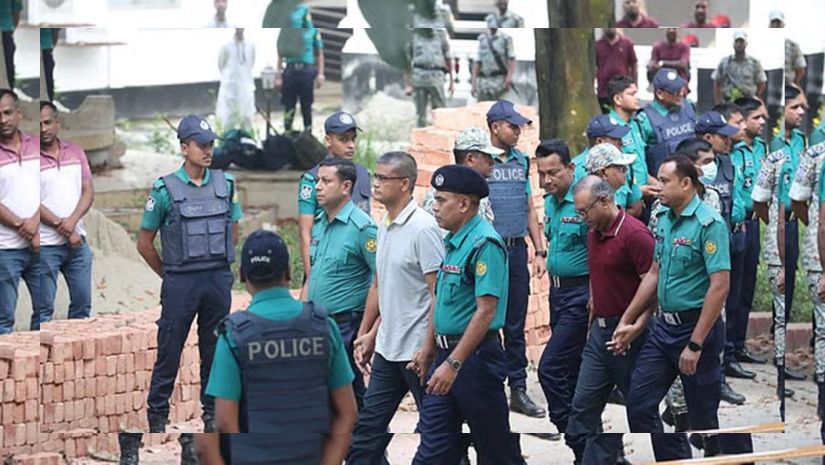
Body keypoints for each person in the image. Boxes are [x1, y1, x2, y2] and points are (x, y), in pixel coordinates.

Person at [119, 115, 242, 465]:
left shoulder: (226, 183)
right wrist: (170, 275)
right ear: (184, 147)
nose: (208, 150)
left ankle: (209, 417)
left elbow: (232, 229)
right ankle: (157, 418)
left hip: (217, 279)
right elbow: (144, 243)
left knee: (215, 353)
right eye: (200, 145)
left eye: (210, 144)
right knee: (169, 351)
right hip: (180, 282)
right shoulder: (163, 189)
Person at [197, 229, 356, 465]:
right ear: (289, 273)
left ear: (242, 276)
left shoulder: (233, 336)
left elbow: (225, 422)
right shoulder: (324, 326)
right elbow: (348, 413)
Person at [408, 164, 525, 465]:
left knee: (494, 450)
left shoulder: (484, 243)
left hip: (474, 362)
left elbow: (486, 310)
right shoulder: (454, 240)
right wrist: (428, 348)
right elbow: (442, 300)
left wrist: (454, 364)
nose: (434, 207)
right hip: (445, 358)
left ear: (464, 204)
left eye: (441, 200)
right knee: (433, 449)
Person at [624, 155, 730, 460]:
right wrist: (629, 318)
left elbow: (719, 285)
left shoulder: (709, 223)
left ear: (686, 184)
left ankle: (717, 455)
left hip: (697, 330)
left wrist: (695, 344)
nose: (658, 187)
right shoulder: (663, 219)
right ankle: (674, 458)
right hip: (663, 330)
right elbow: (655, 272)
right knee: (640, 403)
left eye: (665, 181)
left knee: (702, 417)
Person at [346, 152, 444, 464]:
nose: (374, 184)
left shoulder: (424, 229)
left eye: (382, 178)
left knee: (437, 435)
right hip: (388, 351)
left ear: (405, 184)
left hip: (418, 354)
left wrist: (428, 347)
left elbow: (436, 294)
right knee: (366, 435)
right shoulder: (384, 225)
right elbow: (380, 284)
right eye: (374, 177)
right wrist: (367, 333)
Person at [565, 175, 655, 465]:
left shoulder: (635, 235)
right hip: (599, 335)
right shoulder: (594, 233)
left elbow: (653, 289)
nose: (581, 218)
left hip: (630, 338)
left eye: (584, 211)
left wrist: (635, 326)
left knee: (641, 412)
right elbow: (597, 273)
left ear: (605, 200)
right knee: (582, 410)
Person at [486, 100, 547, 418]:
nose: (518, 132)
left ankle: (518, 389)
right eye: (513, 126)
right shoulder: (480, 160)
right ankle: (492, 387)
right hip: (488, 253)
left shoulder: (521, 161)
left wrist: (538, 250)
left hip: (516, 251)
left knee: (515, 323)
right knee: (487, 320)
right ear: (495, 127)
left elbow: (528, 207)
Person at [305, 158, 378, 412]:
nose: (318, 187)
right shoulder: (320, 223)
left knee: (353, 394)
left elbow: (381, 281)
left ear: (346, 186)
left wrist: (366, 331)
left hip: (347, 324)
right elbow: (314, 274)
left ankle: (371, 452)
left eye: (326, 181)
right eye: (317, 181)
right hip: (318, 323)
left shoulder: (363, 228)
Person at [535, 138, 589, 460]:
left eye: (553, 172)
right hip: (557, 293)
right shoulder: (551, 202)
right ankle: (590, 447)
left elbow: (600, 255)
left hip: (581, 295)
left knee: (550, 369)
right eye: (542, 174)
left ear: (570, 168)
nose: (547, 180)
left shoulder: (583, 201)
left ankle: (578, 439)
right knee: (573, 372)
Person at [297, 112, 371, 296]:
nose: (351, 145)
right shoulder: (312, 179)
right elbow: (305, 231)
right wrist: (312, 276)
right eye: (343, 139)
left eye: (353, 139)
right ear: (328, 140)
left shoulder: (363, 174)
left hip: (356, 263)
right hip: (325, 261)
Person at [38, 101, 94, 328]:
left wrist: (71, 224)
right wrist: (62, 226)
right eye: (39, 124)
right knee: (43, 312)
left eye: (48, 122)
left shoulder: (76, 152)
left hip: (78, 243)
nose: (44, 129)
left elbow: (88, 191)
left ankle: (74, 361)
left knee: (82, 307)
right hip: (44, 247)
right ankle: (38, 362)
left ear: (58, 123)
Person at [730, 97, 769, 366]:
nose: (762, 122)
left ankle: (740, 344)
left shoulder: (762, 149)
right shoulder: (734, 150)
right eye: (757, 118)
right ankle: (728, 350)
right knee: (732, 288)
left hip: (756, 222)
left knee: (747, 287)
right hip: (738, 221)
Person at [0, 89, 40, 334]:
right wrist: (22, 225)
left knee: (44, 318)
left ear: (19, 114)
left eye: (7, 113)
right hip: (4, 250)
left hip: (39, 247)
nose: (3, 120)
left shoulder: (36, 147)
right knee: (4, 321)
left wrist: (35, 223)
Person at [421, 127, 500, 224]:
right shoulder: (445, 192)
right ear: (470, 159)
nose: (492, 162)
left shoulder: (476, 188)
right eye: (487, 156)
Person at [577, 116, 644, 218]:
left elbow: (635, 206)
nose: (621, 142)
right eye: (615, 138)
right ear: (599, 141)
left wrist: (616, 226)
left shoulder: (623, 161)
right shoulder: (577, 170)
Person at [636, 68, 696, 179]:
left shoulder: (689, 107)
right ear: (660, 94)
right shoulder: (645, 119)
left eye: (681, 88)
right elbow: (638, 160)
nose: (681, 94)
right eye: (675, 91)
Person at [275, 2, 324, 132]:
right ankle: (287, 133)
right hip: (290, 71)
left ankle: (308, 133)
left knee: (306, 106)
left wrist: (320, 74)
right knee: (289, 106)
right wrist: (278, 75)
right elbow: (280, 54)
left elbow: (319, 53)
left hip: (307, 72)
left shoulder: (313, 31)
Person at [606, 75, 657, 199]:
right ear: (617, 99)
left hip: (643, 197)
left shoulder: (636, 125)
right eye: (631, 94)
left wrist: (658, 185)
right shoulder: (609, 129)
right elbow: (608, 173)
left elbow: (640, 166)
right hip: (624, 198)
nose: (637, 98)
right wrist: (636, 191)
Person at [405, 18, 454, 128]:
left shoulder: (441, 35)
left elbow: (448, 58)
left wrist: (452, 81)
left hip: (436, 76)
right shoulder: (414, 36)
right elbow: (407, 61)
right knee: (420, 114)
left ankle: (441, 138)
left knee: (440, 112)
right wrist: (407, 84)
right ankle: (420, 141)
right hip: (419, 77)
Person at [712, 30, 767, 104]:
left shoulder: (754, 63)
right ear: (733, 44)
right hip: (729, 102)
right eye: (736, 42)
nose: (739, 44)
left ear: (746, 44)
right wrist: (718, 103)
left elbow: (762, 83)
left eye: (741, 42)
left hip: (748, 102)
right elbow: (717, 82)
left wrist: (756, 96)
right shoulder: (725, 62)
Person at [216, 28, 255, 131]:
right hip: (230, 87)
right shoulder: (226, 45)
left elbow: (251, 63)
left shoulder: (250, 45)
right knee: (229, 117)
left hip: (246, 86)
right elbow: (221, 65)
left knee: (247, 116)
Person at [472, 16, 516, 102]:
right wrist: (473, 83)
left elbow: (512, 59)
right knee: (482, 111)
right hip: (484, 82)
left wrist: (509, 78)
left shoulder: (505, 39)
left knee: (499, 110)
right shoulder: (482, 40)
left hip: (499, 81)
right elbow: (478, 62)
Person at [595, 29, 637, 114]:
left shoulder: (627, 43)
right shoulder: (598, 45)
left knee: (624, 117)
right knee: (607, 118)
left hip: (622, 89)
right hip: (604, 90)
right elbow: (595, 66)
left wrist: (635, 84)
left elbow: (633, 65)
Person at [769, 10, 806, 87]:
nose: (775, 26)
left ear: (783, 25)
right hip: (771, 87)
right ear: (769, 26)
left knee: (801, 99)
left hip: (788, 86)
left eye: (778, 23)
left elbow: (801, 69)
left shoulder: (793, 46)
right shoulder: (764, 46)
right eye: (773, 23)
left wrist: (795, 82)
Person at [0, 0, 20, 88]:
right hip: (7, 31)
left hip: (6, 32)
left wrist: (10, 30)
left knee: (8, 65)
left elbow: (16, 13)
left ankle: (9, 91)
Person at [41, 28, 60, 102]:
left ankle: (50, 99)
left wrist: (51, 47)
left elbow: (55, 33)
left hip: (47, 49)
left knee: (49, 76)